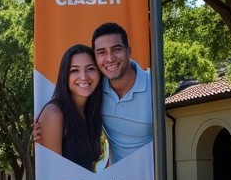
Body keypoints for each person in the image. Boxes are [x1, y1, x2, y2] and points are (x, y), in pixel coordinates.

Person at [35, 22, 152, 165]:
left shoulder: (154, 86)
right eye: (102, 52)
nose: (110, 58)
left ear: (129, 51)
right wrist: (43, 129)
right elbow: (51, 172)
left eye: (116, 49)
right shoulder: (56, 112)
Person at [36, 44, 103, 170]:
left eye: (90, 69)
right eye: (74, 70)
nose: (84, 77)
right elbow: (52, 175)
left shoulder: (93, 111)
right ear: (64, 76)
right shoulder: (54, 113)